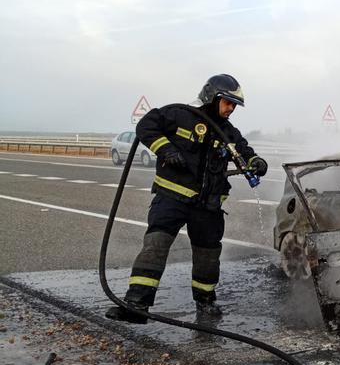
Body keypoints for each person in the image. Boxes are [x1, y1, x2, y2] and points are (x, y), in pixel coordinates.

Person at [106, 74, 268, 323]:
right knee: (155, 246)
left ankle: (206, 303)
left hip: (208, 205)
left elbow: (245, 152)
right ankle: (136, 304)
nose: (231, 109)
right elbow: (146, 126)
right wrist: (166, 149)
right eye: (227, 102)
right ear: (212, 97)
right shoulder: (179, 115)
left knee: (208, 256)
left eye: (234, 105)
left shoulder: (228, 133)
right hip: (171, 198)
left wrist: (257, 162)